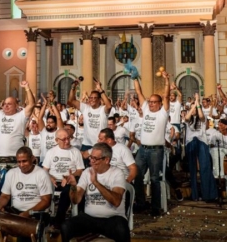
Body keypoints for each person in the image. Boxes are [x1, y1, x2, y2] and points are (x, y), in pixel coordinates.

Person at [61, 142, 129, 242]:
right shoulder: (86, 172)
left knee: (122, 229)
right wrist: (73, 186)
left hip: (112, 218)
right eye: (91, 157)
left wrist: (96, 182)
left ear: (106, 160)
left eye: (95, 159)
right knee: (66, 226)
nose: (91, 161)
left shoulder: (117, 173)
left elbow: (116, 201)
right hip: (90, 218)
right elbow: (75, 200)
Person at [0, 80, 35, 206]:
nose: (5, 106)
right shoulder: (0, 115)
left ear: (16, 106)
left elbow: (32, 104)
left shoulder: (21, 116)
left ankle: (15, 211)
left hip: (16, 160)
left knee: (16, 190)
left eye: (9, 104)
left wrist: (27, 89)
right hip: (1, 159)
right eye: (4, 104)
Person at [0, 146, 54, 242]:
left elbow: (46, 201)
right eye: (19, 162)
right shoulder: (11, 173)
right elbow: (5, 196)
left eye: (24, 161)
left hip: (36, 213)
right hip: (16, 212)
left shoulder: (42, 174)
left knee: (22, 234)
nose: (21, 165)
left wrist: (27, 213)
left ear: (32, 158)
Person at [133, 70, 171, 215]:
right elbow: (138, 91)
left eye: (155, 102)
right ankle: (141, 203)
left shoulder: (163, 113)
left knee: (155, 179)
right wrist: (135, 77)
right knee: (137, 176)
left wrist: (166, 81)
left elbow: (166, 96)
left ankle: (155, 207)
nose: (151, 104)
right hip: (142, 149)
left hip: (156, 150)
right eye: (150, 102)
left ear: (160, 104)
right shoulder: (145, 110)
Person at [43, 129, 84, 228]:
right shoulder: (51, 152)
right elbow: (44, 170)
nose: (67, 141)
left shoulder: (75, 151)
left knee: (67, 191)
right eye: (64, 139)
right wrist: (51, 178)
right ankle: (42, 218)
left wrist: (70, 177)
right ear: (57, 140)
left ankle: (58, 221)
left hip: (70, 181)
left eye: (68, 138)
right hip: (54, 181)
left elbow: (80, 171)